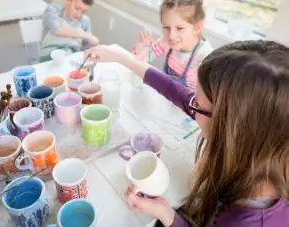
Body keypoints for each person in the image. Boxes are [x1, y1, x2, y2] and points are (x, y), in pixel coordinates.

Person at [86, 41, 289, 226]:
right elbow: (173, 90)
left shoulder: (245, 221)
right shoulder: (267, 146)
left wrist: (170, 218)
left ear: (230, 127)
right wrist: (123, 57)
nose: (191, 105)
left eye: (197, 104)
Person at [133, 0, 212, 90]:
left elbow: (205, 98)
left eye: (179, 28)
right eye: (166, 27)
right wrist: (141, 46)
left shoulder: (205, 57)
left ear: (197, 27)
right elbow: (141, 61)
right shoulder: (165, 42)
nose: (171, 36)